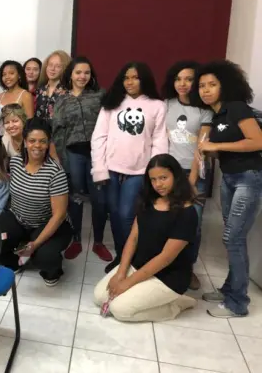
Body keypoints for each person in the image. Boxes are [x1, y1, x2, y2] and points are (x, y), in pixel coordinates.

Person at [191, 60, 262, 318]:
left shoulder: (236, 108)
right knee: (233, 237)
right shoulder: (218, 114)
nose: (205, 90)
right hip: (230, 179)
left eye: (212, 84)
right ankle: (230, 289)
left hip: (248, 178)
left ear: (226, 85)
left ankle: (238, 302)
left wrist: (215, 148)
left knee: (233, 238)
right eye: (201, 86)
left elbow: (257, 141)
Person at [93, 154, 198, 322]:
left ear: (176, 177)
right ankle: (148, 294)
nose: (158, 184)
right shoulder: (149, 201)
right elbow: (133, 239)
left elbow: (165, 258)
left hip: (167, 277)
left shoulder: (187, 213)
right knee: (99, 296)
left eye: (163, 178)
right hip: (139, 265)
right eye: (153, 179)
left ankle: (175, 304)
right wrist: (121, 273)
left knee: (120, 310)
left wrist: (128, 283)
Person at [91, 62, 168, 273]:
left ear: (144, 79)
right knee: (114, 215)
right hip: (111, 170)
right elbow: (99, 137)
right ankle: (121, 256)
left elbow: (159, 140)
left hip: (139, 172)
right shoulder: (112, 103)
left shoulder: (157, 106)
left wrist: (156, 174)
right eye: (126, 78)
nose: (130, 82)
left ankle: (132, 258)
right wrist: (99, 168)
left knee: (126, 215)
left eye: (135, 77)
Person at [0, 118, 73, 286]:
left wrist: (36, 244)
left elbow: (59, 215)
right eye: (32, 141)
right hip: (18, 218)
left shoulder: (55, 173)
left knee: (45, 256)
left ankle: (53, 269)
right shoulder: (15, 162)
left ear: (48, 144)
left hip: (47, 224)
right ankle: (12, 261)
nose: (37, 146)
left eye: (42, 141)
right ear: (25, 142)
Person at [52, 57, 112, 262]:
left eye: (86, 72)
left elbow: (110, 125)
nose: (82, 76)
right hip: (73, 155)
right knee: (75, 199)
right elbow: (58, 132)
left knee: (100, 200)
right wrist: (61, 161)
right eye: (78, 72)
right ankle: (76, 240)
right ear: (70, 74)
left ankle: (98, 242)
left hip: (97, 155)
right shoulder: (61, 99)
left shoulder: (100, 95)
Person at [162, 61, 213, 290]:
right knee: (166, 219)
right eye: (178, 79)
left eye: (189, 79)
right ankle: (164, 264)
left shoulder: (204, 109)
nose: (183, 84)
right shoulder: (166, 105)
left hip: (194, 173)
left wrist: (191, 181)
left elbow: (202, 147)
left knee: (194, 222)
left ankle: (188, 268)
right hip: (168, 172)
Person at [0, 60, 34, 137]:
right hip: (0, 137)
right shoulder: (1, 96)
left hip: (19, 139)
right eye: (4, 74)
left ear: (19, 75)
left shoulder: (25, 95)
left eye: (11, 73)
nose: (7, 77)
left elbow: (30, 123)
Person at [35, 50, 71, 123]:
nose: (52, 69)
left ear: (65, 69)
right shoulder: (40, 90)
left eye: (58, 66)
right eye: (50, 65)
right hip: (40, 132)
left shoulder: (68, 92)